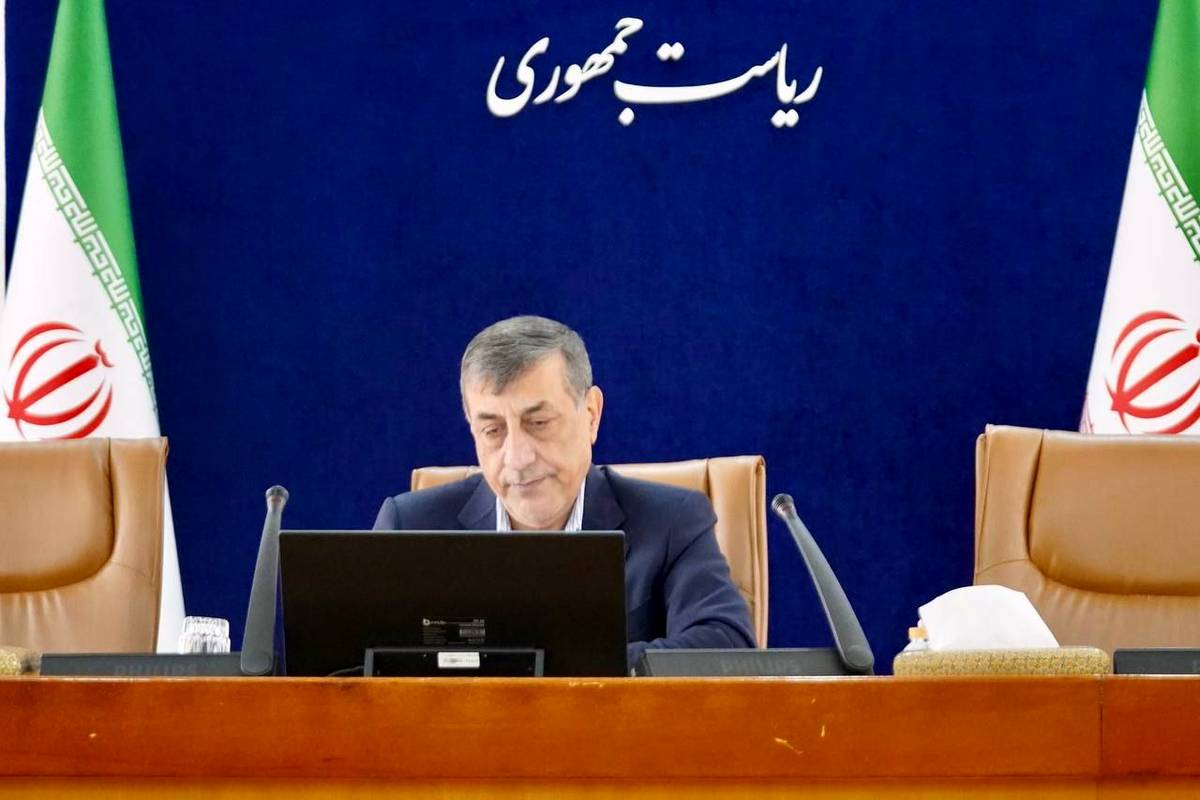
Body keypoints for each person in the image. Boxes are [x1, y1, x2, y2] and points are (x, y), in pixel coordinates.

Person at [374, 315, 755, 667]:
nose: (517, 458)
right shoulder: (409, 525)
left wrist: (555, 668)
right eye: (492, 431)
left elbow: (726, 647)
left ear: (590, 415)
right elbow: (356, 664)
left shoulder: (670, 522)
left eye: (539, 422)